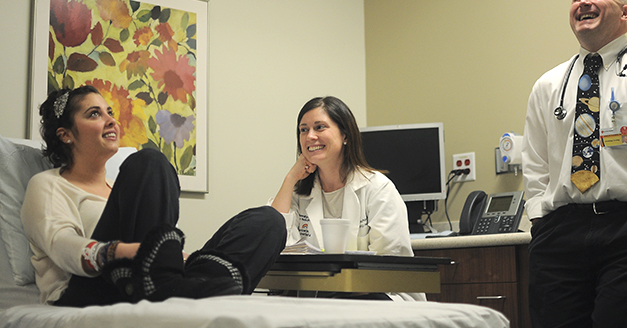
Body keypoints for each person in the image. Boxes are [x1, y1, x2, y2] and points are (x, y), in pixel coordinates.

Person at [21, 85, 286, 307]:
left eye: (109, 112)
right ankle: (179, 288)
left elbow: (158, 239)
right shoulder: (47, 185)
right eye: (94, 114)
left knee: (268, 222)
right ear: (66, 135)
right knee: (150, 161)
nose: (111, 120)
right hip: (86, 292)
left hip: (147, 279)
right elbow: (61, 245)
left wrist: (176, 257)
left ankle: (179, 288)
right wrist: (123, 251)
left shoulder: (124, 188)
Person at [522, 0, 627, 327]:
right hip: (560, 234)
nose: (583, 1)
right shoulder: (549, 84)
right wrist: (541, 221)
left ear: (625, 12)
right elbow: (536, 163)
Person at [270, 96, 425, 301]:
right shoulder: (299, 194)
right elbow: (273, 235)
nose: (310, 137)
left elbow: (389, 265)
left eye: (320, 127)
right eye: (304, 129)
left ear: (345, 135)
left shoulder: (377, 188)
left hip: (382, 297)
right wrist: (290, 179)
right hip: (322, 300)